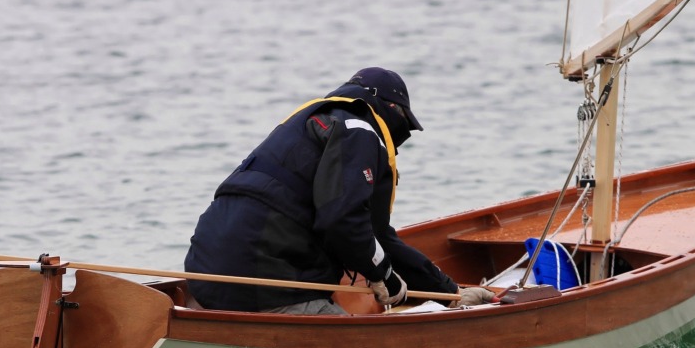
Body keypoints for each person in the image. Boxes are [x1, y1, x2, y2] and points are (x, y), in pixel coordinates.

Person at [184, 67, 494, 314]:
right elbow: (344, 222)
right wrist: (384, 275)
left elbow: (370, 235)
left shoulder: (305, 126)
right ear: (390, 110)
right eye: (404, 128)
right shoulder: (359, 130)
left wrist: (447, 293)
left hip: (203, 281)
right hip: (268, 289)